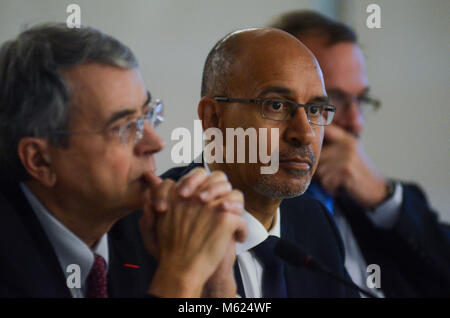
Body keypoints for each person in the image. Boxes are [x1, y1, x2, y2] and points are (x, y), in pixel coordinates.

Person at [0, 23, 247, 298]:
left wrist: (217, 282)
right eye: (126, 127)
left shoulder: (152, 229)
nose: (156, 143)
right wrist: (181, 274)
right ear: (40, 160)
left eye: (148, 115)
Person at [162, 27, 359, 297]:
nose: (304, 133)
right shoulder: (152, 223)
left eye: (314, 110)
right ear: (213, 119)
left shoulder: (314, 224)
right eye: (276, 106)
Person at [270, 10, 450, 297]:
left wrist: (384, 199)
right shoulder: (247, 207)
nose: (356, 122)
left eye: (361, 100)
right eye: (333, 101)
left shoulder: (379, 205)